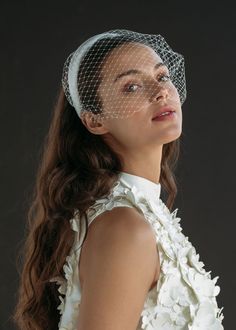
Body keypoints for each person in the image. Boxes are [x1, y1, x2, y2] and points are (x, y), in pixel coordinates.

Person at [13, 29, 224, 330]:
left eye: (162, 76)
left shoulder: (139, 216)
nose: (161, 91)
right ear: (95, 120)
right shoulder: (124, 227)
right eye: (132, 86)